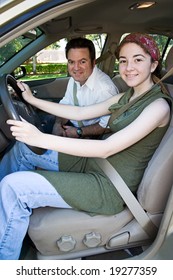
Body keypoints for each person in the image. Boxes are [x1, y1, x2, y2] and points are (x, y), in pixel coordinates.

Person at [0, 33, 172, 260]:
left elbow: (106, 148)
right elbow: (80, 112)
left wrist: (39, 138)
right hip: (94, 165)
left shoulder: (158, 106)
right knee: (24, 151)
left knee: (14, 187)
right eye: (123, 60)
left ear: (154, 64)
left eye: (138, 59)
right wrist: (32, 100)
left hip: (108, 186)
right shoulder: (127, 96)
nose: (129, 67)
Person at [45, 37, 119, 137]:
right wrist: (58, 124)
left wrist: (78, 132)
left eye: (82, 62)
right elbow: (66, 104)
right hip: (70, 124)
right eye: (71, 62)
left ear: (93, 63)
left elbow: (108, 125)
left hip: (88, 135)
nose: (76, 68)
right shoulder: (75, 79)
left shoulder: (104, 89)